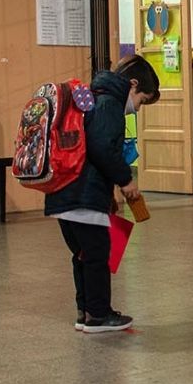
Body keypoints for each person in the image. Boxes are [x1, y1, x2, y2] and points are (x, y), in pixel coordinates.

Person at [46, 55, 161, 333]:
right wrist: (125, 179)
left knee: (83, 254)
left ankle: (85, 312)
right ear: (133, 84)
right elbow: (101, 147)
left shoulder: (91, 97)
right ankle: (99, 315)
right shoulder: (109, 104)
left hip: (63, 190)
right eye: (142, 100)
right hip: (84, 193)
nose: (138, 108)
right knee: (98, 254)